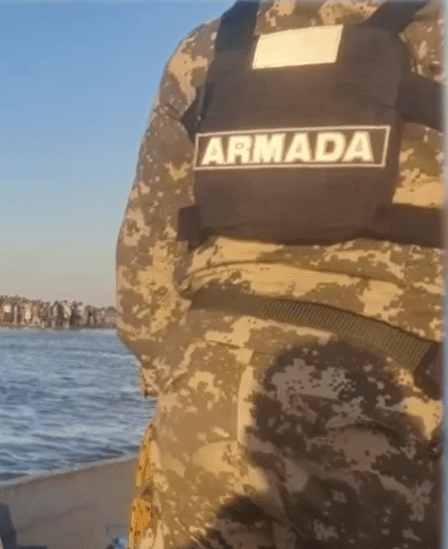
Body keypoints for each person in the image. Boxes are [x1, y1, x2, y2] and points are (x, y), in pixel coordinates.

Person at [115, 1, 443, 547]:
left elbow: (141, 282)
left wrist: (181, 374)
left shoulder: (205, 49)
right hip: (393, 414)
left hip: (203, 401)